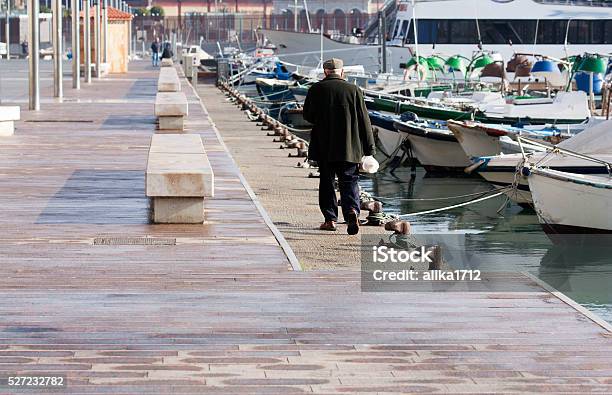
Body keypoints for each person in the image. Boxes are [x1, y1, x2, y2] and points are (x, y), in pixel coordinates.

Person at [303, 58, 376, 235]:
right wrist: (370, 149)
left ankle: (330, 220)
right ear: (342, 72)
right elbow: (364, 120)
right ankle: (352, 211)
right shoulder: (354, 90)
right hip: (350, 146)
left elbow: (308, 116)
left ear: (325, 71)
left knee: (327, 182)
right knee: (349, 180)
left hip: (324, 145)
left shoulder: (316, 89)